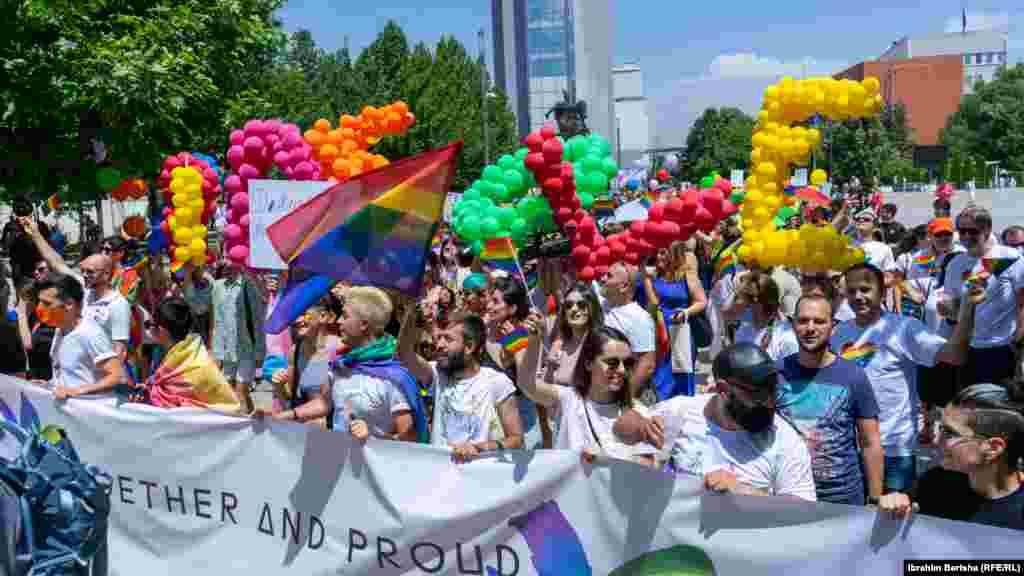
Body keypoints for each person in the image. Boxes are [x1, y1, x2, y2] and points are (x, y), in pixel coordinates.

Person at [833, 263, 982, 493]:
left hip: (895, 449)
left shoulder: (904, 328)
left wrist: (969, 308)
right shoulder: (839, 332)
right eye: (852, 291)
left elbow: (955, 355)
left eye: (865, 289)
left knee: (895, 512)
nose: (858, 297)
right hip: (851, 447)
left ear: (882, 292)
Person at [614, 343, 817, 501]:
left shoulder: (785, 440)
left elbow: (803, 511)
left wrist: (744, 493)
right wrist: (639, 424)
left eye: (773, 391)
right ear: (723, 390)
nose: (770, 402)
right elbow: (620, 428)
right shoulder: (682, 412)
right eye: (758, 395)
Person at [778, 296, 899, 509]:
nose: (810, 328)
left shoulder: (853, 375)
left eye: (819, 321)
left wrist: (874, 499)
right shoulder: (775, 373)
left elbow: (870, 442)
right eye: (803, 320)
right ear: (793, 324)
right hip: (789, 494)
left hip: (842, 498)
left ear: (833, 327)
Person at [275, 287, 426, 443]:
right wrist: (285, 416)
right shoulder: (341, 366)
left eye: (345, 316)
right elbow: (324, 403)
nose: (339, 321)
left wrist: (372, 438)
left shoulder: (393, 378)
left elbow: (409, 439)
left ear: (363, 324)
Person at [518, 316, 657, 465]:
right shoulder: (568, 399)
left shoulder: (639, 412)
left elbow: (651, 466)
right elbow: (527, 384)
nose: (622, 370)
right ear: (589, 363)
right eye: (612, 363)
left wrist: (608, 458)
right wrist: (534, 340)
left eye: (627, 363)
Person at [398, 307, 523, 461]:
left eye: (448, 339)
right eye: (439, 338)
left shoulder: (497, 381)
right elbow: (404, 354)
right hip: (441, 472)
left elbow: (516, 439)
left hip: (483, 472)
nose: (439, 345)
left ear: (469, 347)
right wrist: (412, 312)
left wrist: (479, 447)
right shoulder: (437, 375)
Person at [915, 382, 1024, 530]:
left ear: (993, 448)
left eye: (949, 433)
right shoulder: (934, 484)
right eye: (940, 427)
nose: (936, 440)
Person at [942, 206, 1024, 387]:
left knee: (1004, 403)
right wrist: (947, 309)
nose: (966, 236)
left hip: (1002, 348)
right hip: (968, 349)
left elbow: (1022, 303)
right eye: (962, 231)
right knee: (971, 402)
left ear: (987, 229)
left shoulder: (1011, 258)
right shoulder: (955, 264)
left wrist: (1018, 341)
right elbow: (952, 307)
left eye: (973, 231)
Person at [135, 297, 241, 412]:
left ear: (162, 330)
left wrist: (151, 394)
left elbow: (172, 407)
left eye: (149, 325)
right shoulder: (188, 357)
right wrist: (149, 390)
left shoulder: (185, 364)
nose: (148, 329)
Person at [36, 273, 126, 399]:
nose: (40, 308)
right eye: (39, 302)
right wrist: (49, 385)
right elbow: (71, 375)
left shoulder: (89, 333)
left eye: (46, 303)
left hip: (91, 408)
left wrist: (79, 391)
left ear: (69, 304)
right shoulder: (60, 330)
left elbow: (117, 376)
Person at [637, 241, 707, 399]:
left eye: (663, 253)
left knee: (680, 378)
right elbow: (654, 303)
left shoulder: (686, 274)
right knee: (660, 376)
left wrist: (686, 312)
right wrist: (645, 276)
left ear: (674, 253)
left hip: (680, 331)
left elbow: (702, 301)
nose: (658, 257)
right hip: (660, 331)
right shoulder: (654, 274)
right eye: (657, 253)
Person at [209, 261, 266, 413]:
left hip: (247, 349)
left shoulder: (249, 285)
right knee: (230, 391)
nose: (225, 267)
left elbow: (257, 320)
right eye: (224, 264)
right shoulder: (217, 286)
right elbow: (215, 320)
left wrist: (260, 352)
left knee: (240, 391)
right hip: (226, 349)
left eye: (230, 263)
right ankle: (253, 419)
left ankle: (244, 425)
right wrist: (214, 350)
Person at [271, 295, 343, 415]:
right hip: (304, 424)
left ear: (323, 316)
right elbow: (291, 398)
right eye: (295, 314)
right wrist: (279, 385)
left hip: (332, 426)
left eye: (304, 314)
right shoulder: (295, 351)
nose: (297, 320)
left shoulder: (339, 349)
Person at [597, 262, 656, 399]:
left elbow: (647, 364)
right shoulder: (601, 305)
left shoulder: (639, 318)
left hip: (628, 395)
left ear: (624, 286)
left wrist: (625, 398)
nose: (602, 278)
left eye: (609, 276)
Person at [732, 271, 799, 363]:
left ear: (756, 303)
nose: (734, 304)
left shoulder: (786, 338)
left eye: (739, 298)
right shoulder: (742, 332)